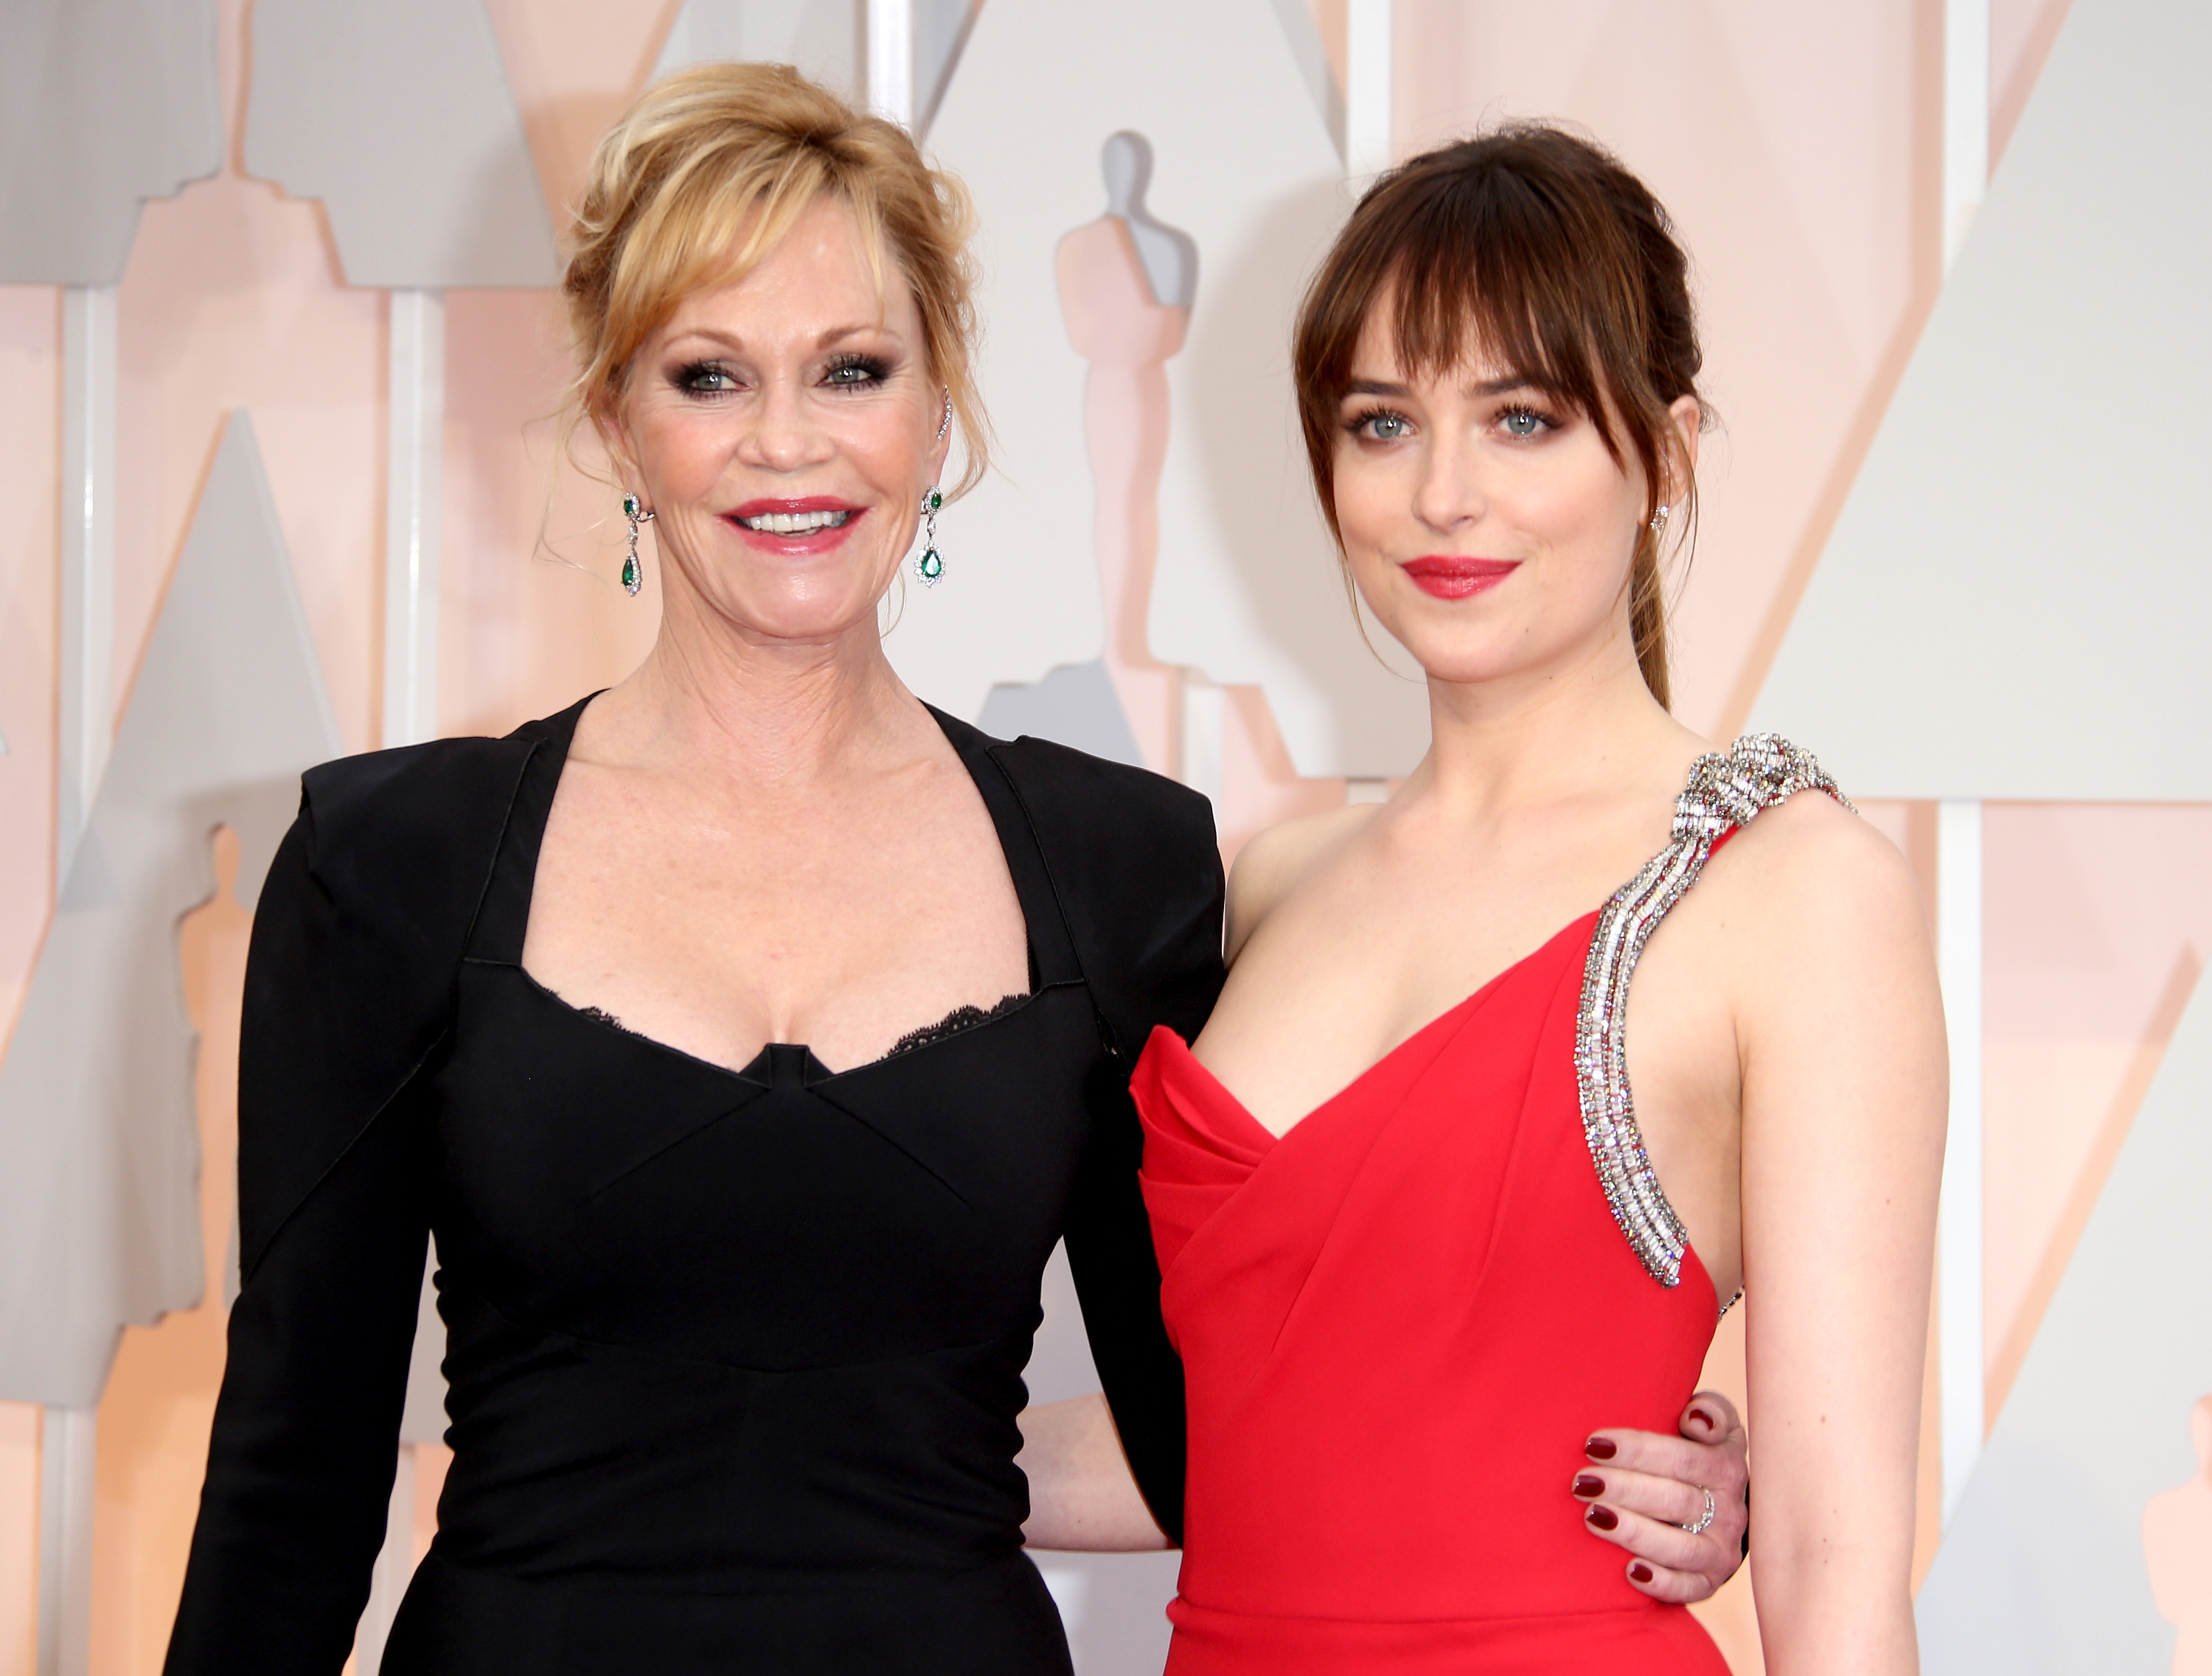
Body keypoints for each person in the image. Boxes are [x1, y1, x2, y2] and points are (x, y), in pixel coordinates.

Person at [164, 71, 1750, 1675]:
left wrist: (1626, 1474)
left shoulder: (1119, 873)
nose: (789, 444)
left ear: (937, 410)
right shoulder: (389, 867)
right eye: (710, 375)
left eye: (852, 369)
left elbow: (1227, 1429)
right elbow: (291, 1494)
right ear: (615, 418)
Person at [1129, 125, 1947, 1673]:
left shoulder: (1799, 892)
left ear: (1668, 446)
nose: (1445, 494)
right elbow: (1242, 1430)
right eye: (1384, 423)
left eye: (1522, 419)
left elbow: (1840, 1567)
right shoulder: (1272, 883)